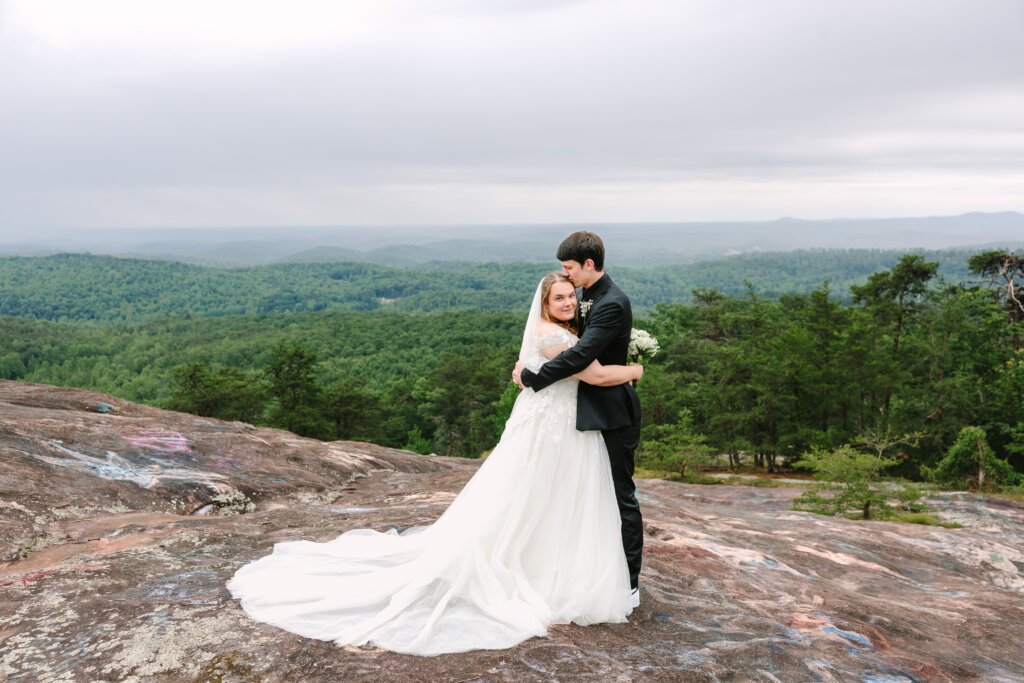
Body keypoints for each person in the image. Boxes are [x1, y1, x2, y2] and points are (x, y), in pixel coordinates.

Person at [227, 272, 642, 656]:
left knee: (545, 493)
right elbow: (595, 376)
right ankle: (539, 565)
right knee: (540, 492)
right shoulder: (555, 337)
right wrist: (635, 369)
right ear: (545, 304)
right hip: (553, 425)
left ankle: (547, 557)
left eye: (571, 296)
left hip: (557, 421)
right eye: (559, 298)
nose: (568, 302)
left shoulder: (558, 331)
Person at [513, 231, 644, 607]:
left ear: (588, 264)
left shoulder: (611, 302)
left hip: (612, 412)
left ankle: (628, 583)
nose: (566, 276)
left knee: (620, 496)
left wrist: (534, 378)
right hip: (584, 410)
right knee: (588, 492)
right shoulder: (587, 294)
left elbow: (582, 356)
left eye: (568, 268)